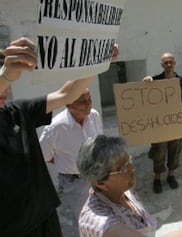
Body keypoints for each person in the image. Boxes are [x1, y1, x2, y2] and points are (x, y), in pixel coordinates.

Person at [0, 37, 118, 236]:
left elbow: (67, 94)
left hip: (45, 215)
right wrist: (6, 75)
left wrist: (99, 61)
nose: (6, 87)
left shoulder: (17, 110)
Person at [77, 135, 182, 237]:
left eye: (129, 161)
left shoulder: (125, 192)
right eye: (122, 168)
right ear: (100, 182)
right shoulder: (99, 222)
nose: (132, 169)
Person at [39, 89, 103, 236]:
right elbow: (45, 155)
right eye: (82, 101)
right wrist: (69, 163)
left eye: (89, 99)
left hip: (96, 176)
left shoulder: (94, 115)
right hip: (74, 182)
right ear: (69, 105)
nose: (88, 104)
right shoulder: (55, 127)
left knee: (99, 214)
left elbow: (100, 141)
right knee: (83, 219)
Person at [142, 52, 182, 194]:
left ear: (174, 63)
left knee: (175, 150)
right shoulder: (155, 80)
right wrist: (146, 81)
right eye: (165, 63)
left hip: (176, 123)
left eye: (171, 62)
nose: (168, 65)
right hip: (160, 126)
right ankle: (157, 178)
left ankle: (171, 175)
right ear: (162, 65)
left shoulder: (181, 81)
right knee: (159, 151)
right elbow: (143, 95)